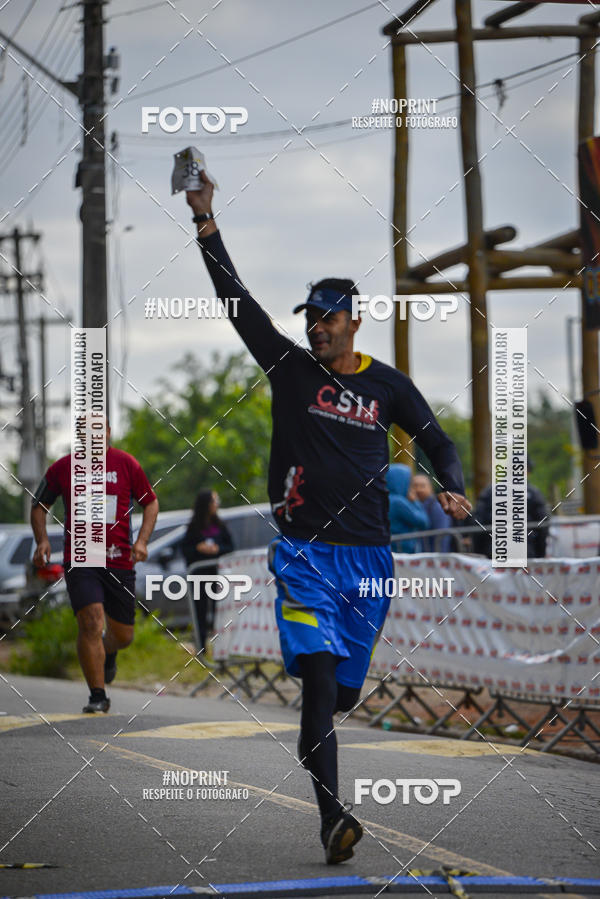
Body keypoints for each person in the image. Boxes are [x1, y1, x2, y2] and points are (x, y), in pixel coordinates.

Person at [186, 174, 471, 865]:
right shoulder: (290, 369)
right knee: (318, 680)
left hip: (371, 563)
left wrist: (453, 484)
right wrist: (206, 223)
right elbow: (239, 305)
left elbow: (437, 439)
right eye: (310, 316)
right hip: (306, 554)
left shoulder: (386, 385)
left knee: (340, 696)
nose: (316, 326)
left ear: (353, 320)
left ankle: (328, 776)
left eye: (327, 317)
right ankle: (333, 818)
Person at [30, 420, 159, 713]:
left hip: (119, 560)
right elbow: (39, 505)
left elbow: (150, 503)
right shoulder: (63, 468)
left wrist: (142, 541)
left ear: (109, 433)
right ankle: (97, 695)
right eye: (86, 433)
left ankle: (108, 649)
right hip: (81, 560)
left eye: (99, 431)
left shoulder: (126, 464)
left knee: (124, 636)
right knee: (90, 622)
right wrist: (42, 541)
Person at [181, 489, 233, 651]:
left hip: (218, 575)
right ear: (206, 504)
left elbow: (231, 547)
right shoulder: (193, 528)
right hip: (199, 576)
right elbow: (185, 550)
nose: (216, 505)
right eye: (214, 501)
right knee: (200, 612)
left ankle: (221, 647)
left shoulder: (221, 526)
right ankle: (201, 647)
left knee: (220, 611)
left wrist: (217, 549)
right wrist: (199, 548)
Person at [471, 457, 549, 559]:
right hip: (525, 551)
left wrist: (480, 551)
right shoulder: (534, 493)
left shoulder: (489, 492)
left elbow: (478, 523)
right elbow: (543, 525)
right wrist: (540, 553)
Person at [386, 463, 429, 552]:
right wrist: (415, 501)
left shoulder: (386, 499)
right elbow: (423, 522)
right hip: (404, 551)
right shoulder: (398, 502)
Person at [412, 472, 454, 552]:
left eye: (422, 486)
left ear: (430, 488)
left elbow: (442, 536)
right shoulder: (414, 505)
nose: (418, 489)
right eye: (415, 486)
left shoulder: (437, 507)